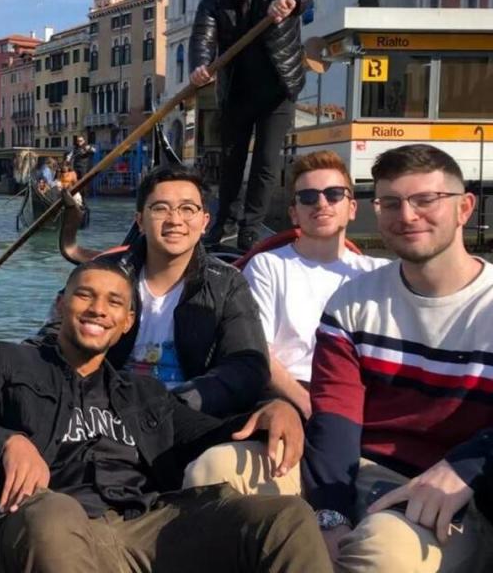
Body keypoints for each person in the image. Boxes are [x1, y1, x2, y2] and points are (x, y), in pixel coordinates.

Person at [0, 259, 331, 573]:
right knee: (53, 513)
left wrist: (272, 409)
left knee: (286, 518)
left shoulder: (143, 393)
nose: (99, 309)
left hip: (143, 527)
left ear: (127, 322)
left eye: (115, 302)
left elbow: (213, 433)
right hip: (43, 522)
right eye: (85, 295)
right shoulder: (5, 362)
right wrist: (6, 442)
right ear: (60, 305)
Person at [304, 144, 493, 572]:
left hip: (461, 496)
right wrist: (329, 514)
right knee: (218, 469)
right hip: (362, 471)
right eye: (391, 203)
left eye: (425, 200)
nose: (406, 215)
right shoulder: (353, 301)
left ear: (464, 208)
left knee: (380, 550)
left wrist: (469, 465)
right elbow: (335, 417)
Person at [180, 150, 388, 496]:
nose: (321, 203)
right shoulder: (269, 267)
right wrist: (314, 408)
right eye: (308, 197)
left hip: (358, 403)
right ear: (294, 212)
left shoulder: (376, 274)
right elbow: (260, 354)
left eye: (334, 194)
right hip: (290, 395)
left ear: (352, 207)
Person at [59, 165, 271, 418]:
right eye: (160, 208)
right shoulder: (102, 274)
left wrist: (175, 405)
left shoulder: (227, 284)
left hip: (186, 418)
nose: (175, 220)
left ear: (204, 222)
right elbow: (54, 338)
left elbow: (247, 367)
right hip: (104, 413)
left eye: (187, 209)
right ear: (140, 221)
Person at [189, 0, 313, 252]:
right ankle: (225, 222)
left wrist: (290, 1)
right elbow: (203, 37)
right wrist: (201, 67)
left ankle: (251, 227)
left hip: (278, 87)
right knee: (231, 160)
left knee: (266, 161)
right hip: (237, 91)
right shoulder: (214, 2)